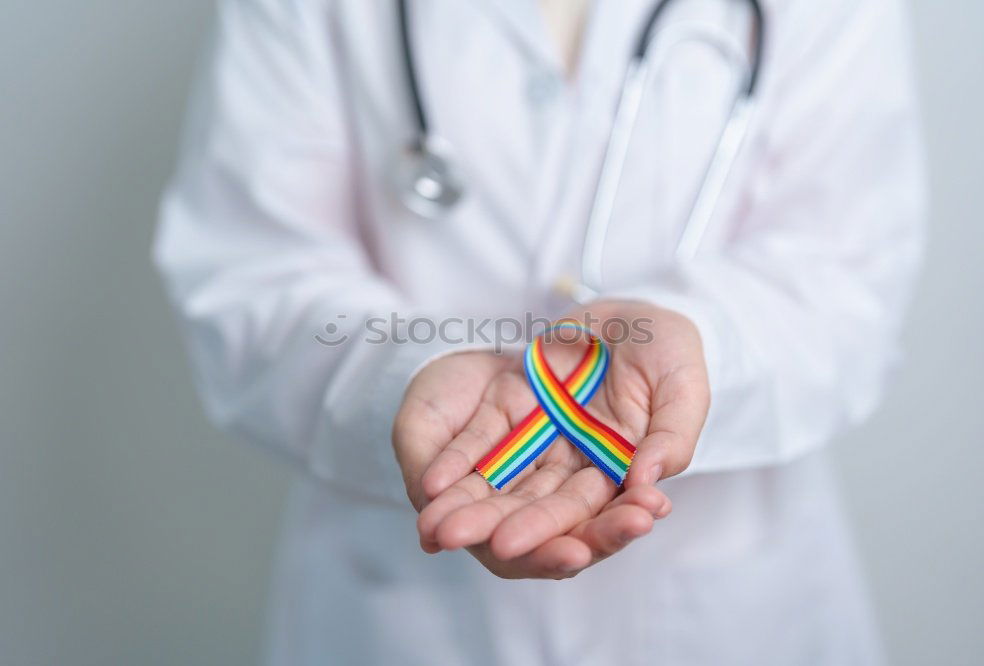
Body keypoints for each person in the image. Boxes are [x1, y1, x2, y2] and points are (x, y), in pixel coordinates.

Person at [154, 0, 925, 663]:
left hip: (734, 612)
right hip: (408, 612)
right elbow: (248, 272)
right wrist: (406, 374)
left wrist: (699, 342)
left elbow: (849, 272)